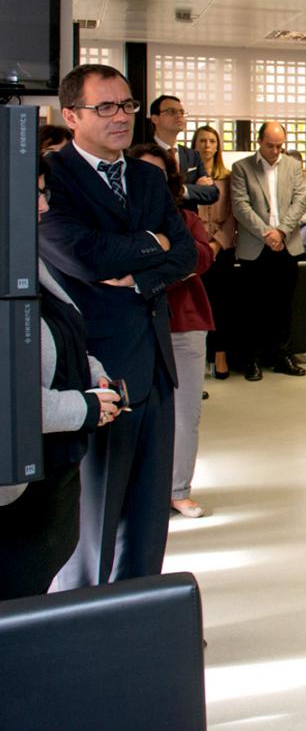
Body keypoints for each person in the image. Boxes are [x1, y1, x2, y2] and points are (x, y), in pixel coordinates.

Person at [40, 64, 196, 589]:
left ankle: (138, 611)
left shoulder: (148, 176)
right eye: (104, 107)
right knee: (94, 515)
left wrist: (138, 277)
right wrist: (153, 244)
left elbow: (186, 254)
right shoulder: (52, 177)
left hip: (154, 362)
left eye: (126, 105)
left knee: (149, 515)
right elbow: (85, 254)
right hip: (96, 368)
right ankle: (87, 615)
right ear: (71, 115)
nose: (121, 117)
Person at [1, 163, 120, 600]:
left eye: (44, 192)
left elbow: (63, 333)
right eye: (33, 194)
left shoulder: (25, 258)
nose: (43, 206)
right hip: (17, 493)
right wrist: (85, 407)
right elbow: (11, 396)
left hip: (55, 474)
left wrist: (94, 374)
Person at [129, 143, 217, 520]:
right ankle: (139, 491)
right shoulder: (117, 220)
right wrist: (165, 254)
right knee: (136, 412)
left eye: (159, 174)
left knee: (185, 412)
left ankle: (178, 489)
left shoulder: (184, 218)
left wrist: (156, 255)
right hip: (132, 325)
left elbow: (201, 258)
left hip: (184, 321)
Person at [231, 121, 306, 380]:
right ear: (259, 142)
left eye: (279, 146)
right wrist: (267, 233)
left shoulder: (293, 166)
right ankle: (252, 360)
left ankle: (282, 356)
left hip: (287, 244)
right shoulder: (242, 168)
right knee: (252, 306)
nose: (275, 151)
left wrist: (282, 231)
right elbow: (240, 206)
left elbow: (300, 201)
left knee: (283, 305)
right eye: (270, 146)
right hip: (255, 246)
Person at [191, 125, 238, 380]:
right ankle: (199, 358)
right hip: (194, 250)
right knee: (197, 305)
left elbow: (232, 215)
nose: (207, 146)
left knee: (222, 304)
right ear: (194, 145)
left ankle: (220, 354)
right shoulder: (187, 179)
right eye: (202, 141)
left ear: (218, 146)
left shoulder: (228, 178)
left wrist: (217, 243)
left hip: (222, 250)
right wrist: (200, 245)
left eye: (211, 141)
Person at [147, 94, 219, 211]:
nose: (179, 116)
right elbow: (149, 192)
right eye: (172, 111)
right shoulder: (143, 154)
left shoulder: (192, 155)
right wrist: (194, 188)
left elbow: (212, 193)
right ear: (155, 118)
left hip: (188, 220)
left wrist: (183, 190)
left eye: (181, 112)